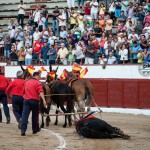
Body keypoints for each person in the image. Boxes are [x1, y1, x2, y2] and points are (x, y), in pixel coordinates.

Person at [21, 72, 47, 136]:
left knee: (25, 116)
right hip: (34, 101)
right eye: (39, 76)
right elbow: (40, 92)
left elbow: (23, 91)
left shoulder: (27, 82)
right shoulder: (38, 83)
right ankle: (34, 130)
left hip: (26, 100)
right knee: (35, 116)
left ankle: (23, 130)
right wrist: (44, 100)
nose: (40, 77)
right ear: (36, 76)